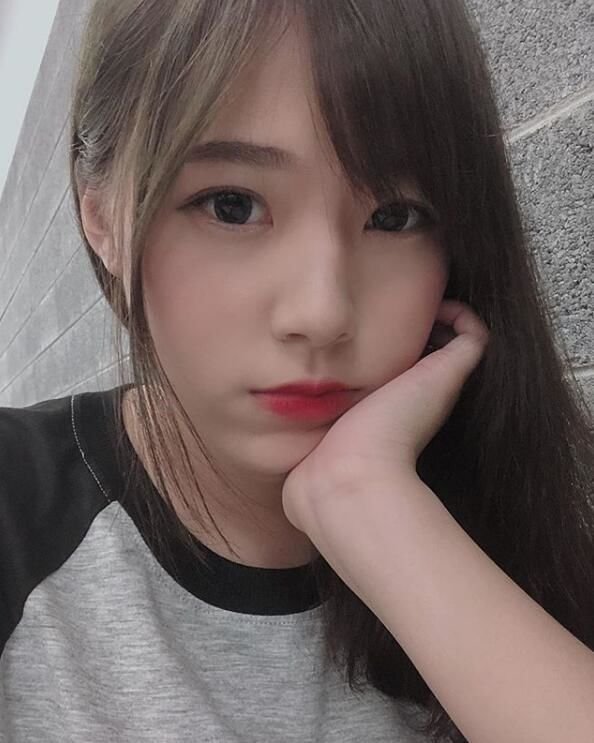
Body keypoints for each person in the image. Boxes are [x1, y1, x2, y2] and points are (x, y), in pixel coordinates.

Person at [1, 1, 593, 741]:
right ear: (104, 221)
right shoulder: (19, 511)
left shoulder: (520, 523)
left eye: (396, 217)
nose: (321, 312)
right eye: (232, 205)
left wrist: (368, 500)